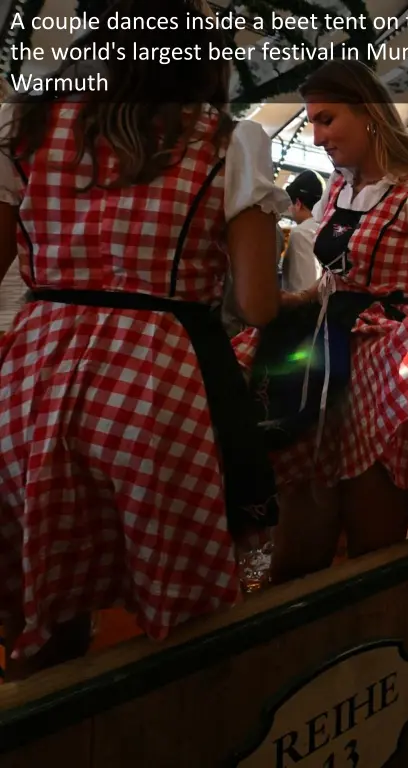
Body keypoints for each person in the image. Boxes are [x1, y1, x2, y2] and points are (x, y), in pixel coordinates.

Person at [0, 0, 284, 678]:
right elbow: (257, 303)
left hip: (35, 367)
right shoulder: (227, 140)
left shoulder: (29, 125)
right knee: (181, 600)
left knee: (47, 584)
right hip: (159, 375)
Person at [237, 60, 408, 581]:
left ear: (369, 114)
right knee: (302, 545)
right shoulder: (339, 185)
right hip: (326, 363)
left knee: (372, 547)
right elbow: (336, 282)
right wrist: (298, 300)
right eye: (312, 122)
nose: (317, 135)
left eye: (327, 120)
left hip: (386, 371)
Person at [280, 170, 324, 293]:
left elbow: (303, 285)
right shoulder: (324, 229)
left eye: (291, 204)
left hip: (301, 308)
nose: (290, 209)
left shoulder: (301, 233)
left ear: (298, 203)